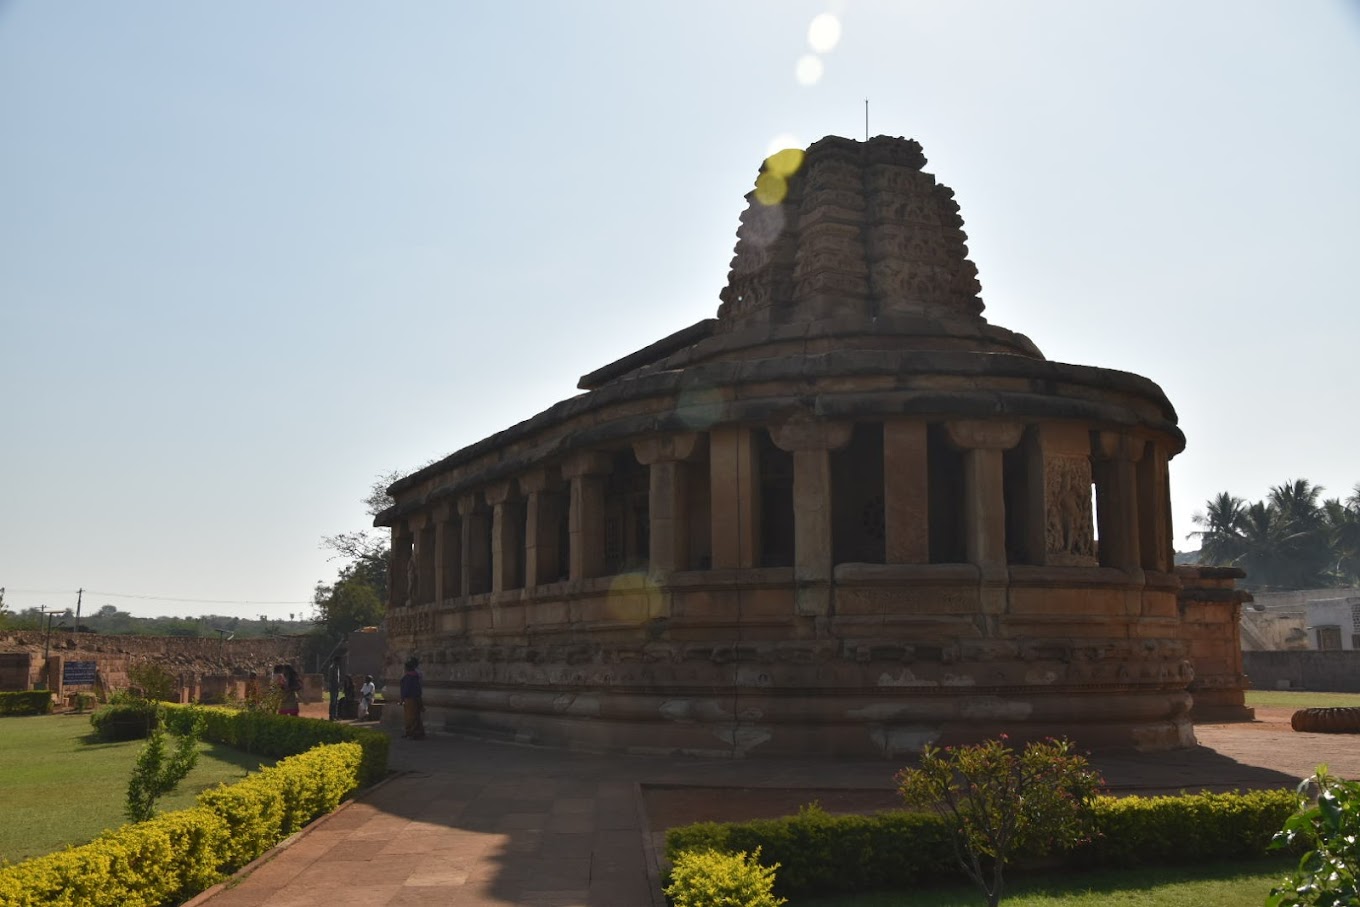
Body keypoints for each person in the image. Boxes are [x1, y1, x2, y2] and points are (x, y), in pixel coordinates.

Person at [400, 657, 425, 739]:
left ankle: (413, 733)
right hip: (413, 698)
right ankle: (411, 732)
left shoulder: (410, 677)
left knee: (412, 717)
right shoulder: (413, 677)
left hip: (411, 698)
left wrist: (402, 698)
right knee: (412, 717)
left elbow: (405, 690)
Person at [326, 656, 343, 721]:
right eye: (338, 661)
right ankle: (331, 716)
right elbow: (330, 679)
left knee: (336, 702)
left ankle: (335, 715)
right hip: (333, 687)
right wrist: (330, 686)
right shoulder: (332, 667)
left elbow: (337, 678)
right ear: (335, 661)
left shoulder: (337, 667)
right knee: (333, 702)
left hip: (336, 687)